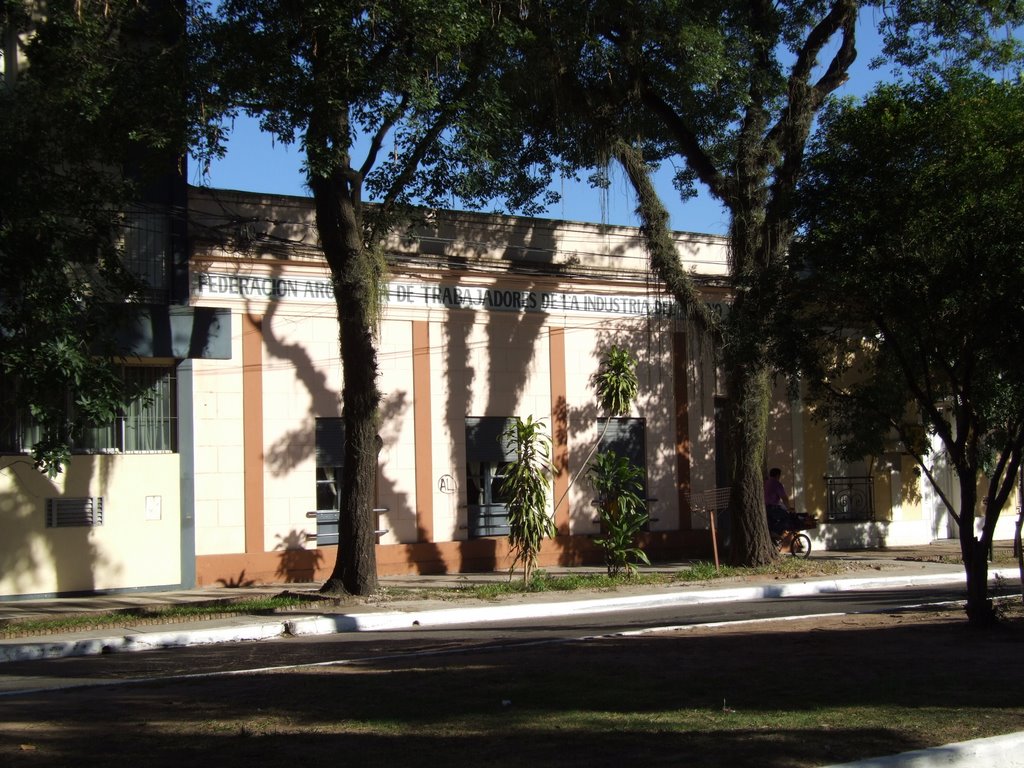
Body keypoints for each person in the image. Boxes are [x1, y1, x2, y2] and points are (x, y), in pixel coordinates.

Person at [764, 467, 792, 537]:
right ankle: (775, 532)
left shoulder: (766, 483)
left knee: (772, 524)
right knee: (787, 517)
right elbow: (784, 498)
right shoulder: (777, 484)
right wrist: (788, 508)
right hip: (773, 508)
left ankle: (773, 539)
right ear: (777, 475)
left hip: (765, 508)